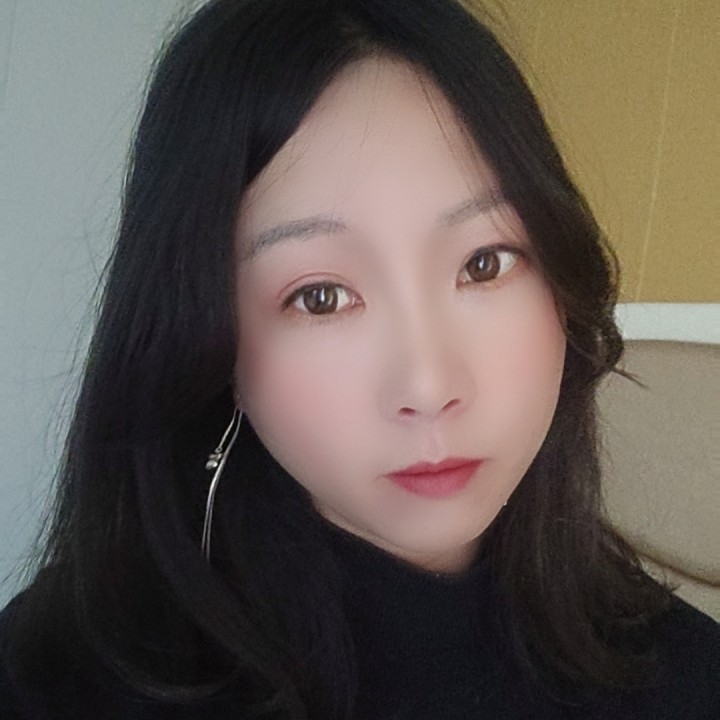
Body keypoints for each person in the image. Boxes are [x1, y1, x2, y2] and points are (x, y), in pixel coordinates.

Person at [1, 0, 718, 718]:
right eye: (320, 298)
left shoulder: (688, 676)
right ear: (209, 338)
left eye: (484, 263)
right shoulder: (57, 680)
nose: (428, 386)